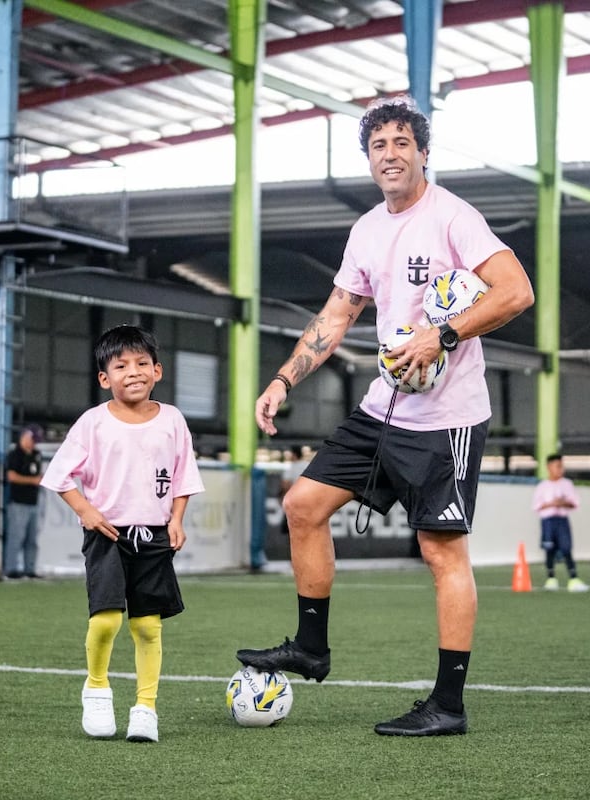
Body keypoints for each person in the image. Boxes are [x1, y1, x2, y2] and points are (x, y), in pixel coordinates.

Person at [236, 95, 535, 737]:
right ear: (368, 160)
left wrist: (443, 335)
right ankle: (310, 648)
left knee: (440, 551)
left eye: (403, 143)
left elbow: (516, 291)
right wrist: (285, 377)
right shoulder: (367, 229)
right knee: (302, 506)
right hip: (383, 408)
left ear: (423, 153)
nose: (391, 154)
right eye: (379, 146)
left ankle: (447, 705)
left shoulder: (454, 217)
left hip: (447, 419)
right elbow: (338, 314)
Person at [40, 324, 204, 743]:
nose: (133, 371)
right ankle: (96, 688)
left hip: (154, 536)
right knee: (107, 619)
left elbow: (184, 476)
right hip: (107, 535)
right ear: (104, 378)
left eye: (142, 363)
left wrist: (177, 518)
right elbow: (60, 476)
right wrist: (86, 511)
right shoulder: (92, 423)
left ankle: (145, 707)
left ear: (158, 371)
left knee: (148, 626)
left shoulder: (172, 420)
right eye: (121, 365)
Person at [531, 453, 590, 593]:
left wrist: (562, 502)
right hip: (548, 521)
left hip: (562, 520)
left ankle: (573, 579)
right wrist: (552, 504)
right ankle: (551, 579)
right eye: (557, 466)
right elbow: (536, 506)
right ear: (549, 467)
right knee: (549, 549)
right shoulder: (542, 486)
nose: (560, 469)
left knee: (566, 548)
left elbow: (575, 503)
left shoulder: (567, 484)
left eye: (561, 466)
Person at [4, 423, 44, 579]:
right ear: (25, 436)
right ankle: (11, 568)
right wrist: (32, 480)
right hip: (18, 502)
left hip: (33, 502)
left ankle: (30, 568)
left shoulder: (36, 454)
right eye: (32, 439)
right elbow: (11, 476)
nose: (34, 443)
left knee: (32, 539)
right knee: (16, 537)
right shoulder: (15, 454)